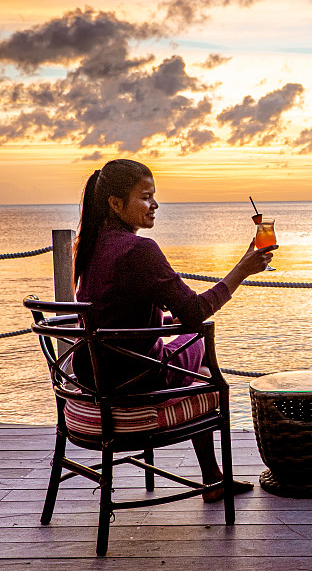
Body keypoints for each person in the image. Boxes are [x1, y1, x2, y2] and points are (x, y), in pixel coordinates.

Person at [73, 159, 277, 501]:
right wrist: (241, 270)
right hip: (134, 380)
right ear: (115, 203)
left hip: (93, 377)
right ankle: (213, 480)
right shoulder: (139, 250)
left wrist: (162, 320)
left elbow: (115, 315)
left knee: (190, 353)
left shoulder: (91, 246)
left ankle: (213, 478)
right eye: (146, 197)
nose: (155, 205)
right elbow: (195, 313)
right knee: (200, 343)